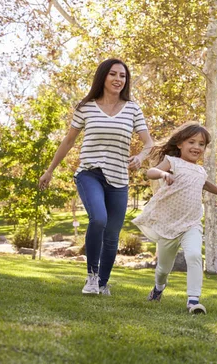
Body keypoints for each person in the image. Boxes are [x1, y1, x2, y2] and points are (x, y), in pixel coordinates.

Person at [39, 58, 154, 296]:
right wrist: (50, 170)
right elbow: (69, 141)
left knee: (112, 234)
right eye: (113, 74)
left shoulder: (133, 109)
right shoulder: (86, 107)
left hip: (119, 178)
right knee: (98, 219)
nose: (118, 79)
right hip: (89, 172)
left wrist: (141, 157)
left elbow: (148, 142)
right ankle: (91, 277)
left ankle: (102, 283)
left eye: (122, 76)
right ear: (103, 77)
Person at [133, 122, 217, 314]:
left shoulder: (200, 170)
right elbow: (151, 172)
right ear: (180, 144)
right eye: (192, 142)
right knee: (163, 269)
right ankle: (158, 288)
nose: (197, 147)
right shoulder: (172, 161)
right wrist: (163, 173)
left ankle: (193, 300)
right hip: (168, 225)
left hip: (191, 223)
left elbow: (206, 184)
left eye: (201, 144)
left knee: (193, 256)